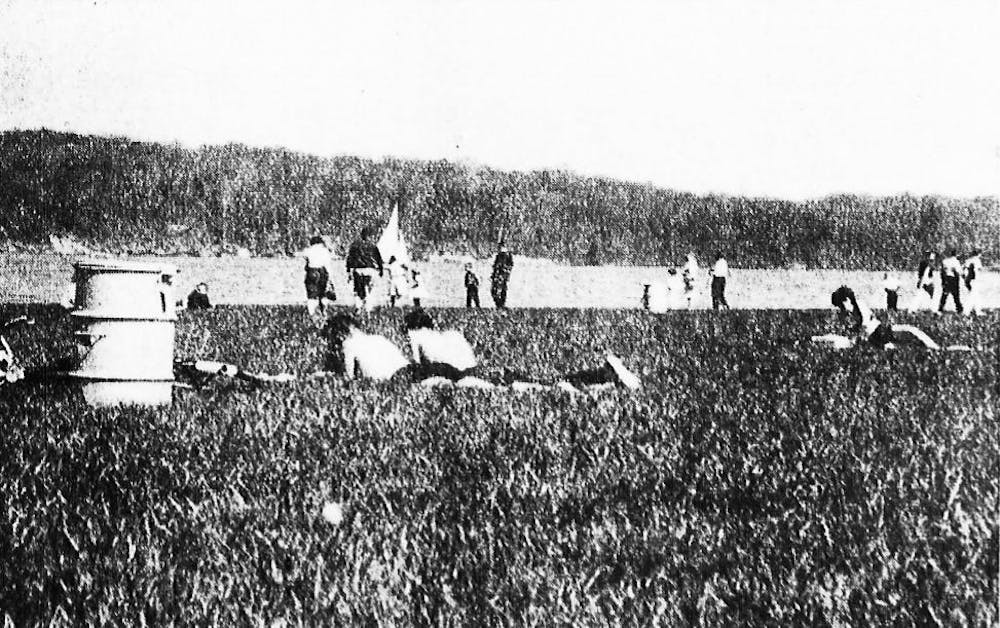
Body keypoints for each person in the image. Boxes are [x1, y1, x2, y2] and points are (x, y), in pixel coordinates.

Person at [322, 313, 409, 380]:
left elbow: (349, 374)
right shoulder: (378, 338)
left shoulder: (348, 344)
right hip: (405, 370)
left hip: (384, 378)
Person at [346, 226, 384, 313]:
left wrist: (348, 270)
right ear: (370, 235)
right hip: (370, 269)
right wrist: (381, 269)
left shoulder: (354, 245)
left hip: (358, 269)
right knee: (370, 290)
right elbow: (378, 259)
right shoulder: (373, 246)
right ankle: (368, 308)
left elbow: (349, 259)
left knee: (358, 289)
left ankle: (358, 307)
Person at [298, 235, 335, 318]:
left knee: (311, 295)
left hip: (312, 272)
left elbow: (304, 258)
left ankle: (312, 314)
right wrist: (330, 279)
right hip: (322, 272)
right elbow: (328, 266)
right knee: (323, 294)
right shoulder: (325, 251)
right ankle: (324, 311)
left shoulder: (308, 250)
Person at [938, 248, 963, 314]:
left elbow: (942, 270)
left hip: (946, 278)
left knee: (945, 294)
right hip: (954, 279)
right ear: (955, 254)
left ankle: (940, 307)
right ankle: (959, 308)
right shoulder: (956, 261)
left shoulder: (945, 261)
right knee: (956, 295)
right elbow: (959, 271)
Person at [490, 242, 514, 308]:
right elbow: (495, 266)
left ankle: (501, 304)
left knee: (501, 290)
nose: (500, 249)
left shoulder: (508, 256)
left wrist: (505, 272)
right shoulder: (499, 255)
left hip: (502, 276)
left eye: (501, 247)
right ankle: (499, 304)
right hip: (498, 276)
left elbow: (510, 266)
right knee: (495, 291)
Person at [963, 249, 983, 316]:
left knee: (973, 295)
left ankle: (974, 310)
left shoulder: (968, 260)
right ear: (978, 254)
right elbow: (979, 270)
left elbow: (963, 270)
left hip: (968, 280)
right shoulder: (977, 260)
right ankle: (969, 311)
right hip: (974, 280)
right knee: (974, 295)